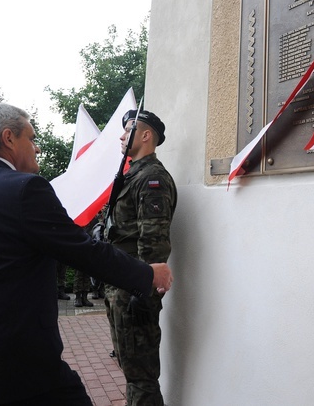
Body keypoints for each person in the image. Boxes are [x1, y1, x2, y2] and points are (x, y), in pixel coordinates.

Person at [0, 103, 173, 406]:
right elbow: (82, 251)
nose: (37, 148)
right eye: (31, 138)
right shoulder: (24, 189)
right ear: (8, 138)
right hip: (20, 363)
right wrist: (147, 275)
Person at [105, 108, 177, 406]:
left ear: (146, 135)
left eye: (129, 130)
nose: (122, 136)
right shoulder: (132, 174)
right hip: (121, 283)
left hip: (134, 288)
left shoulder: (151, 179)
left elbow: (154, 242)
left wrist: (143, 292)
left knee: (141, 376)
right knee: (131, 367)